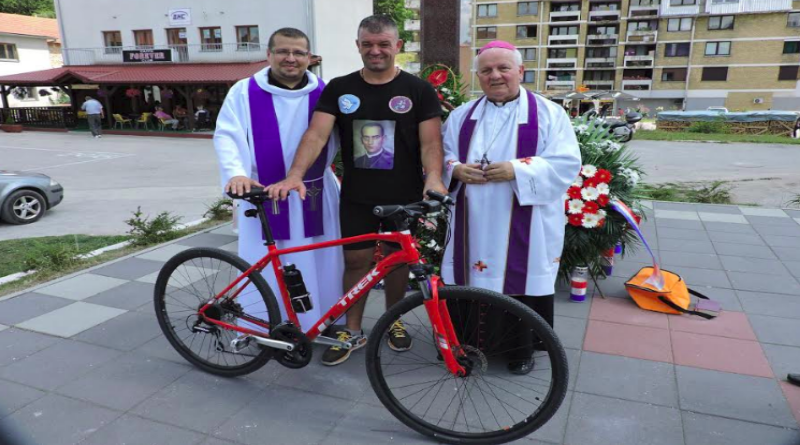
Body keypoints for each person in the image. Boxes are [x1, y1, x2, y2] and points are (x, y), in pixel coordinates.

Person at [267, 14, 447, 366]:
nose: (375, 51)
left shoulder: (418, 90)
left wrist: (434, 178)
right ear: (358, 46)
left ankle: (392, 321)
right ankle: (352, 328)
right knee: (355, 261)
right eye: (367, 44)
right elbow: (317, 135)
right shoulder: (339, 88)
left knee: (397, 264)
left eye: (383, 44)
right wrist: (295, 175)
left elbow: (431, 143)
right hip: (357, 196)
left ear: (397, 46)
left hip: (403, 198)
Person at [440, 40, 581, 375]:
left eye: (503, 68)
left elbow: (566, 163)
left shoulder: (548, 113)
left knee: (522, 278)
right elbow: (442, 157)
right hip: (471, 219)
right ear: (478, 76)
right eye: (487, 70)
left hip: (525, 222)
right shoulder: (462, 116)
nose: (496, 76)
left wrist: (517, 169)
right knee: (469, 278)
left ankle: (521, 350)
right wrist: (456, 169)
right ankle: (467, 344)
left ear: (521, 71)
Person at [214, 28, 343, 331]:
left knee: (320, 257)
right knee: (264, 261)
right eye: (283, 51)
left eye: (299, 53)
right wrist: (236, 172)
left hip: (314, 192)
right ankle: (261, 324)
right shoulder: (244, 91)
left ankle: (322, 319)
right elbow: (228, 135)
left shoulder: (324, 92)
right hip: (262, 191)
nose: (291, 58)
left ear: (309, 58)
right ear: (269, 55)